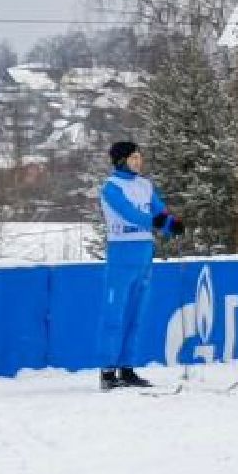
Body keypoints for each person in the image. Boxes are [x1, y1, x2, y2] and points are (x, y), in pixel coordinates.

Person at [96, 140, 180, 390]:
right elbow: (130, 214)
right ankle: (108, 371)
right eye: (133, 158)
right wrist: (158, 223)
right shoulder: (111, 188)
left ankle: (127, 368)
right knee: (115, 315)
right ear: (121, 160)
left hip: (144, 255)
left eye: (139, 157)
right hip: (122, 255)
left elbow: (159, 210)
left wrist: (172, 223)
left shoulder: (145, 185)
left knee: (136, 315)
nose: (138, 162)